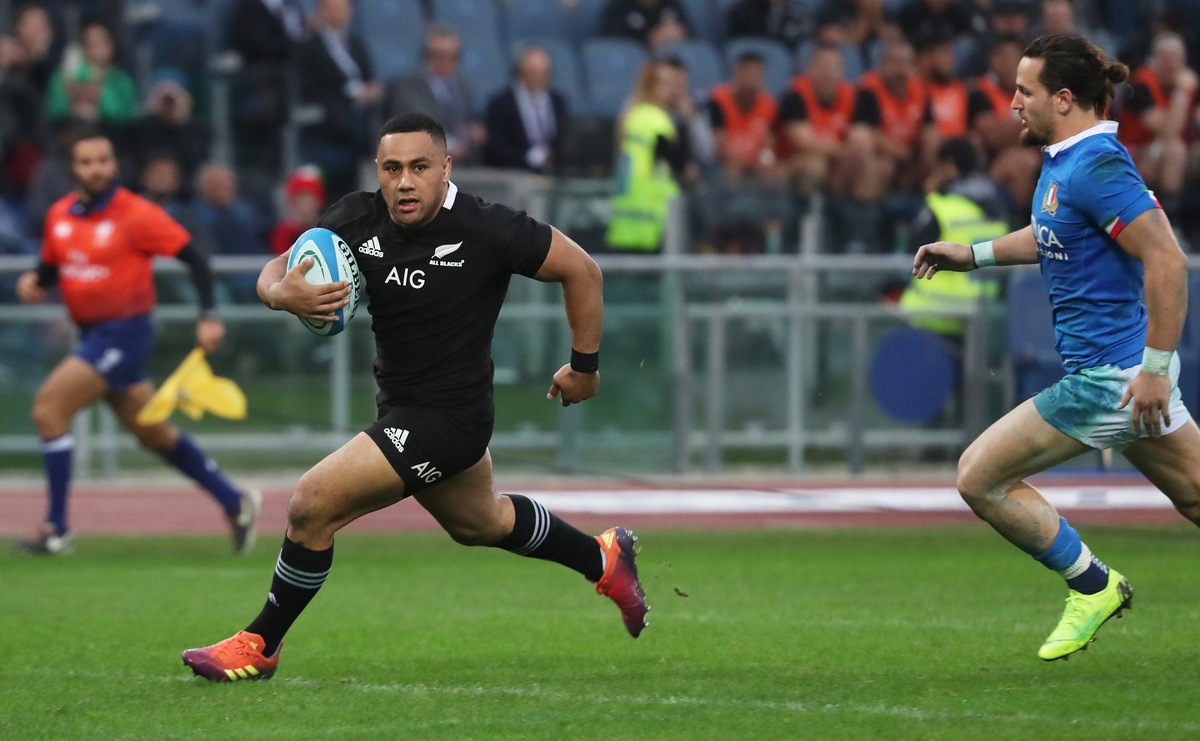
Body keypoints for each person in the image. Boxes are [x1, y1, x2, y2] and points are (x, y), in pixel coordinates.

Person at [181, 113, 648, 682]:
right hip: (401, 407)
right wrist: (281, 293)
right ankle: (604, 558)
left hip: (450, 420)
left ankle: (260, 644)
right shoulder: (356, 217)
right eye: (392, 169)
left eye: (419, 168)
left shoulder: (487, 227)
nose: (404, 182)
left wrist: (585, 368)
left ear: (445, 168)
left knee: (311, 504)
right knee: (482, 523)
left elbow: (583, 271)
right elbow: (279, 268)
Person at [912, 34, 1200, 661]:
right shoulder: (1067, 162)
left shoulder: (1097, 165)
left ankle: (1093, 585)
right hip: (1129, 375)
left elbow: (1168, 260)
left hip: (1110, 379)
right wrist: (973, 255)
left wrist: (1154, 371)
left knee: (979, 477)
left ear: (1064, 99)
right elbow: (1051, 233)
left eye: (1025, 91)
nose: (1013, 103)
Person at [13, 129, 261, 556]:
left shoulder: (136, 213)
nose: (96, 169)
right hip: (92, 335)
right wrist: (33, 282)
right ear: (73, 169)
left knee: (48, 409)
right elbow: (50, 268)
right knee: (153, 434)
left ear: (114, 165)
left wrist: (208, 314)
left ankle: (56, 529)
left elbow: (195, 258)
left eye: (102, 160)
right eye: (86, 161)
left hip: (125, 334)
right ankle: (235, 501)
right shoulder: (59, 215)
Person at [384, 25, 484, 164]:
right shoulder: (408, 86)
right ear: (427, 56)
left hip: (461, 163)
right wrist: (446, 145)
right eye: (440, 56)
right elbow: (413, 126)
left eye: (453, 57)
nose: (447, 62)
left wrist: (474, 132)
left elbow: (472, 123)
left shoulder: (464, 88)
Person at [482, 45, 569, 174]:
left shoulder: (557, 101)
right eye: (534, 72)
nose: (539, 78)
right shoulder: (501, 104)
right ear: (522, 72)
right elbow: (497, 147)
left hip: (551, 174)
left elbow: (561, 139)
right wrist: (530, 157)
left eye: (544, 73)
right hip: (514, 173)